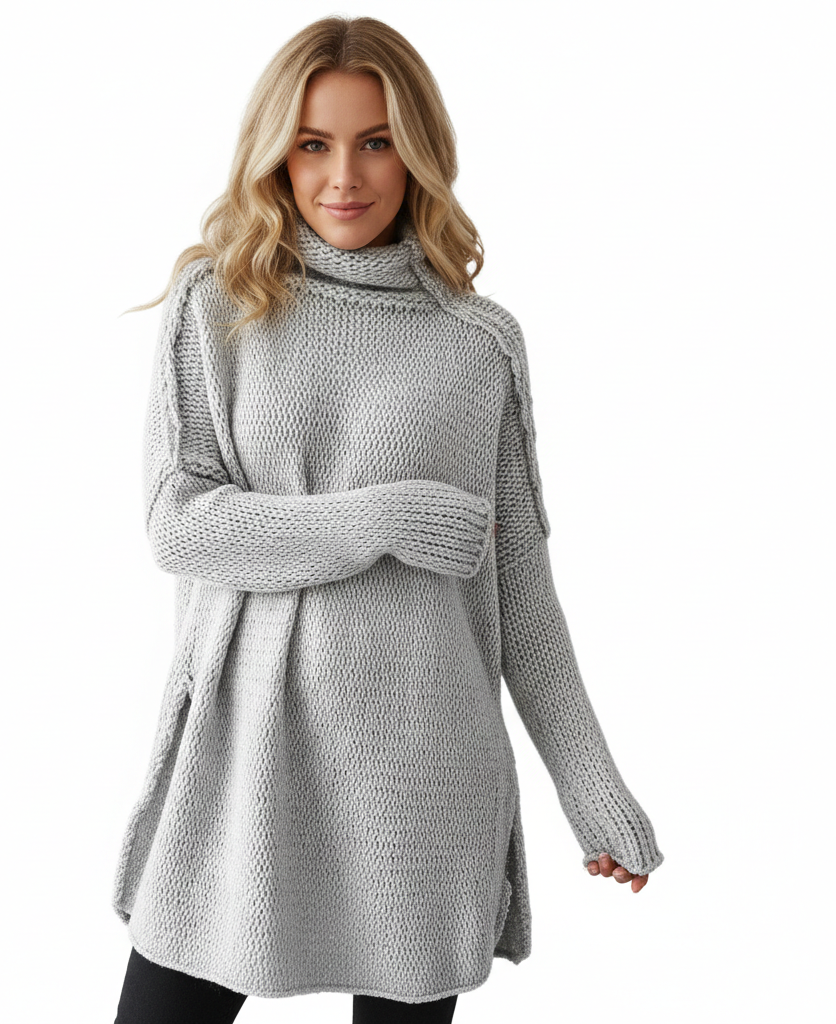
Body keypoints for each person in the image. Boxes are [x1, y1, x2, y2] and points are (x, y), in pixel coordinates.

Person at [110, 15, 664, 1024]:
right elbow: (179, 525)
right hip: (247, 765)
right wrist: (379, 519)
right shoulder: (220, 304)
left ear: (418, 152)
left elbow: (523, 601)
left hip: (422, 780)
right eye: (312, 143)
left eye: (376, 142)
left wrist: (593, 793)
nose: (343, 177)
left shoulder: (477, 344)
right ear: (275, 154)